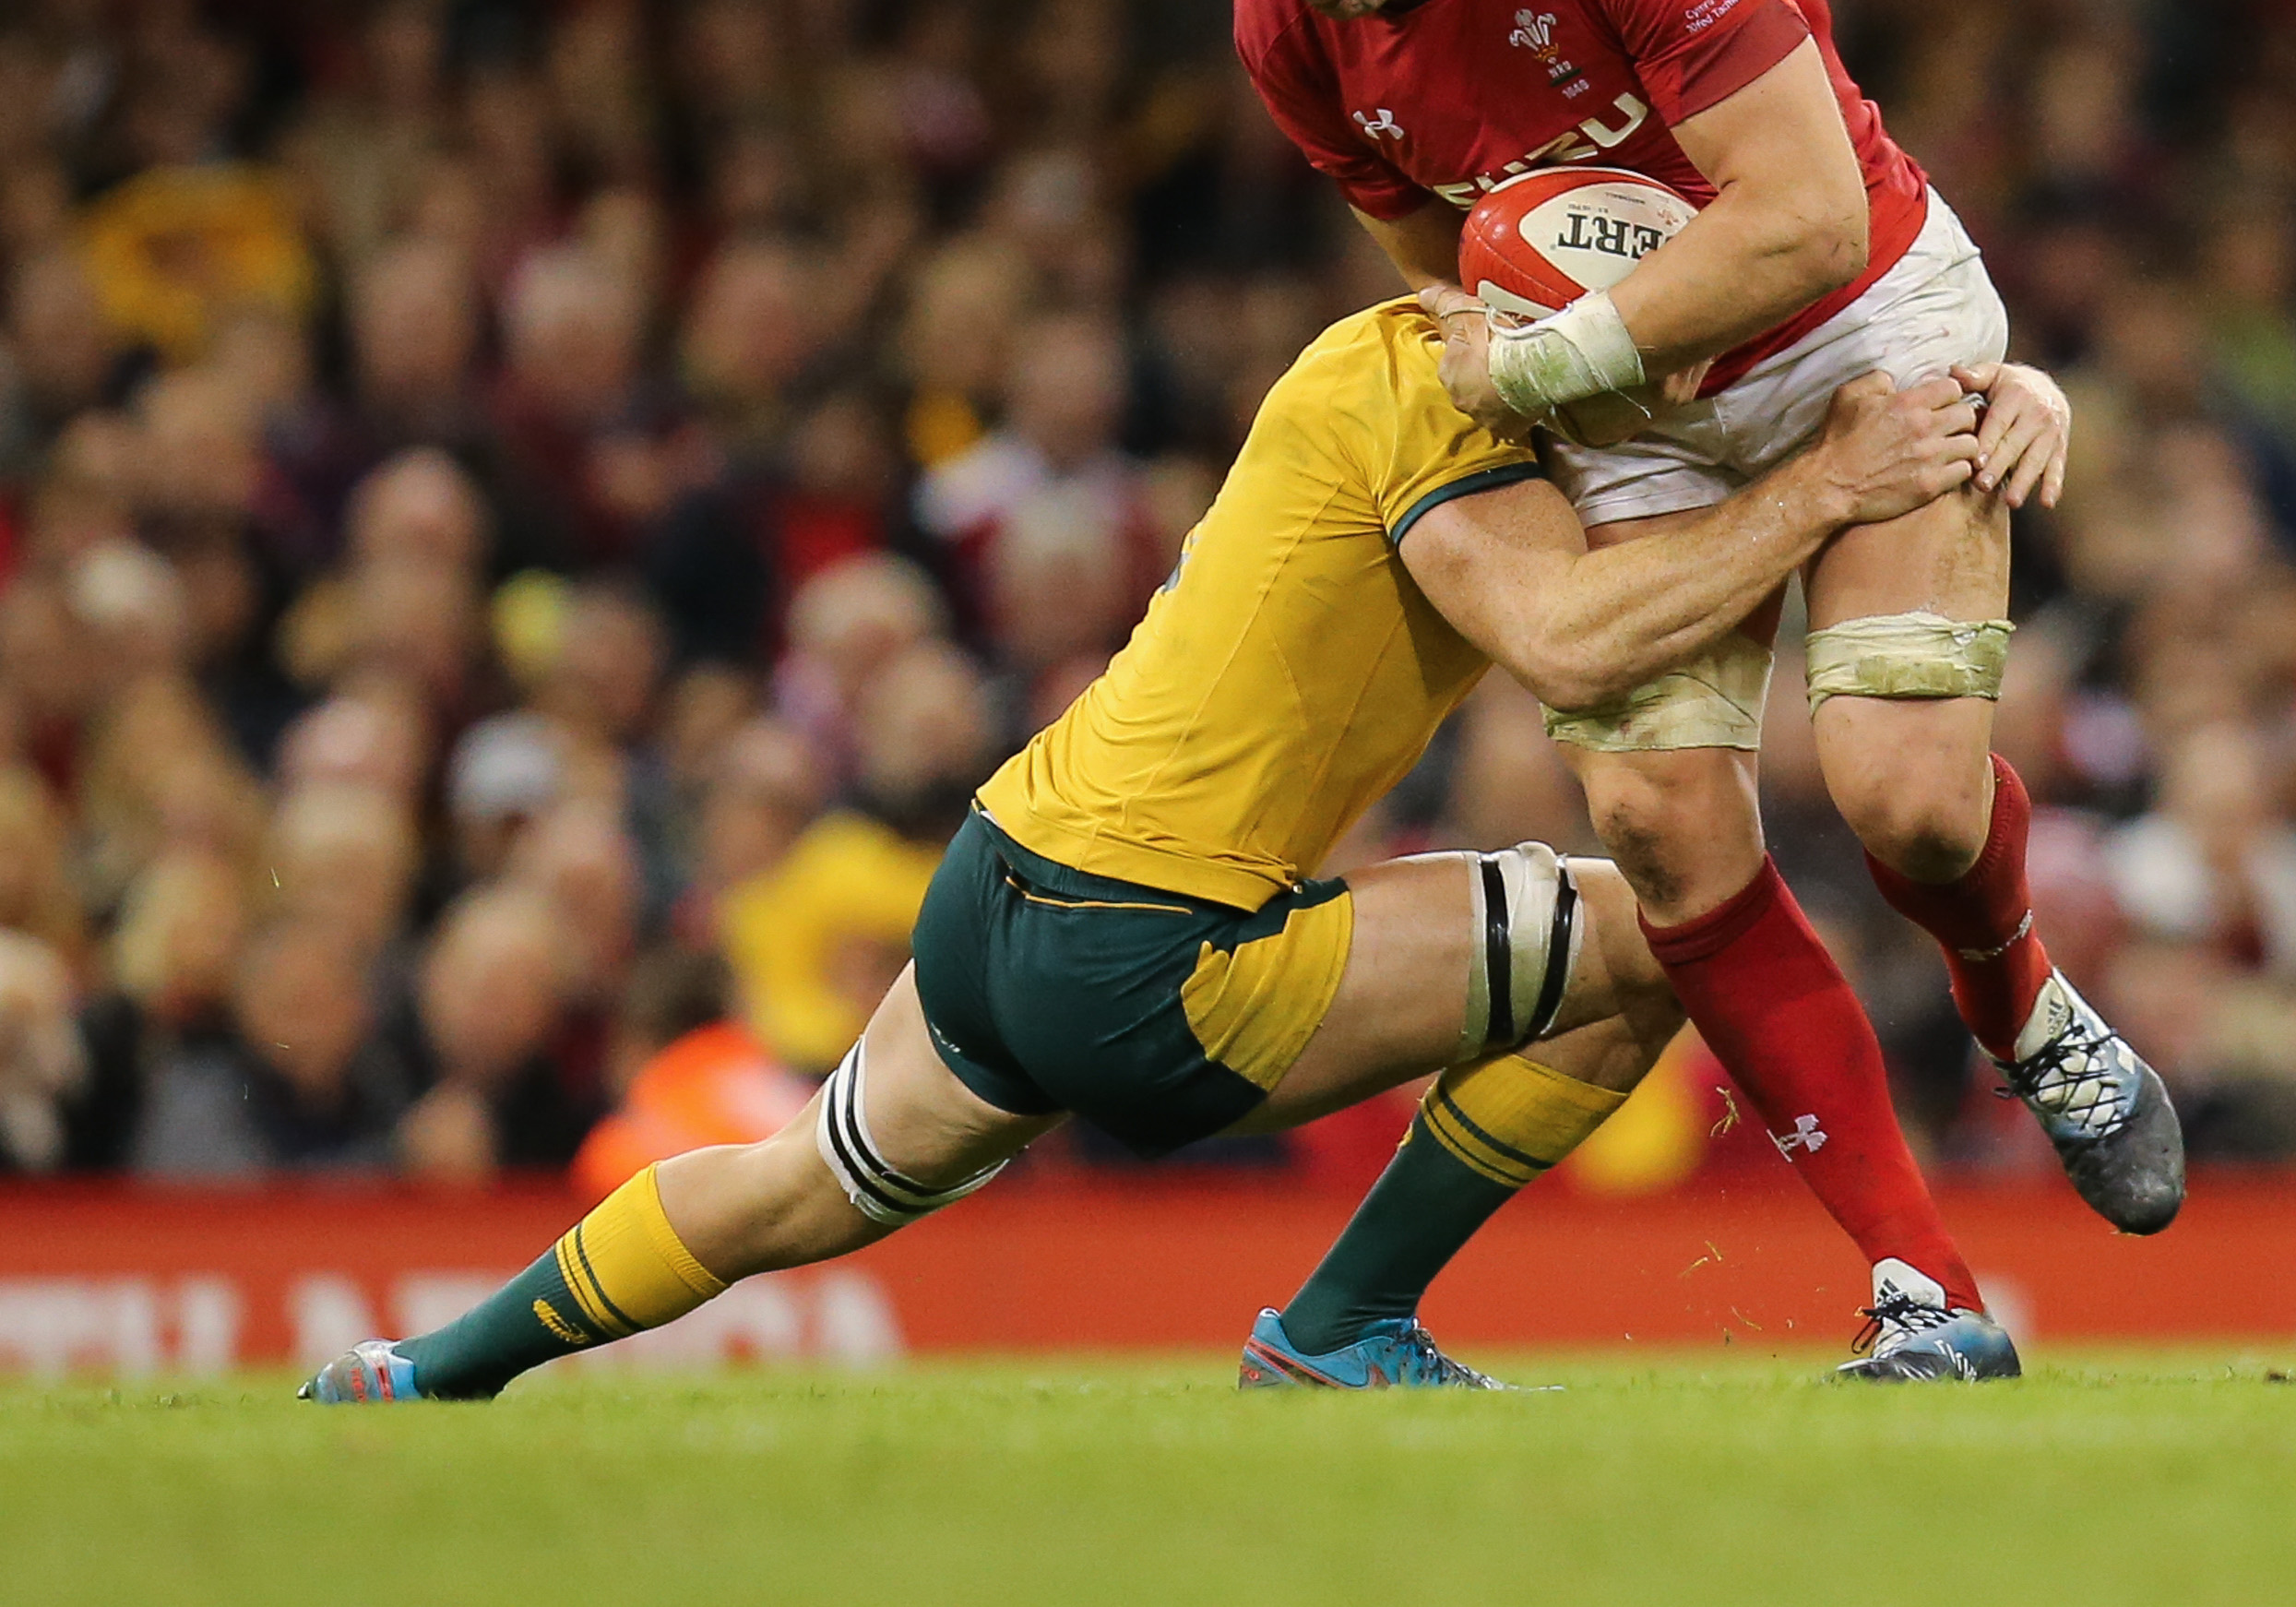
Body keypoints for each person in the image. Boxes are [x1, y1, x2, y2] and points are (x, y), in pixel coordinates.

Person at [302, 298, 2058, 1402]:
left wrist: (2002, 384)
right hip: (1146, 956)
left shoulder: (1391, 353)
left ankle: (423, 1368)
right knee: (1647, 931)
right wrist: (1829, 492)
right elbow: (1581, 642)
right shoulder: (1450, 419)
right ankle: (1342, 1319)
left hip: (1005, 868)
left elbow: (1728, 399)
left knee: (798, 1183)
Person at [1143, 0, 2183, 1271]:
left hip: (1852, 322)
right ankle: (1924, 1283)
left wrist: (1580, 348)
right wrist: (1597, 350)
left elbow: (1810, 218)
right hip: (1634, 391)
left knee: (1903, 800)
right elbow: (1451, 269)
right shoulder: (1290, 32)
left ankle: (2021, 997)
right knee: (1658, 829)